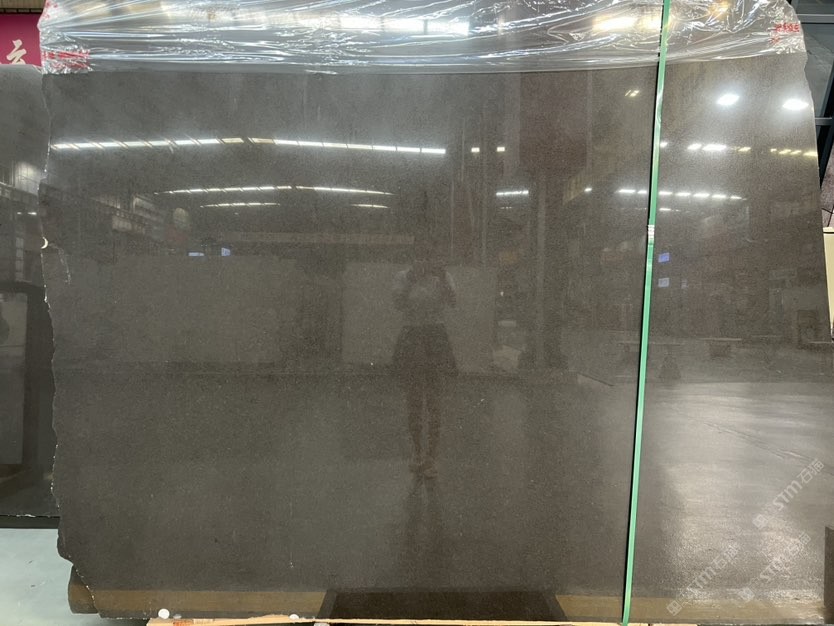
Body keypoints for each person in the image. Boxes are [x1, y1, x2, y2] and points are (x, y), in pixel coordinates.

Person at [392, 244, 457, 479]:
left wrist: (442, 277)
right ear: (412, 259)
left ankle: (432, 456)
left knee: (434, 400)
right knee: (414, 399)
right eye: (419, 258)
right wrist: (411, 279)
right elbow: (398, 304)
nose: (424, 263)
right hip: (412, 336)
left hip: (435, 336)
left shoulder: (442, 276)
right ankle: (417, 452)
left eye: (428, 258)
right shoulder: (403, 277)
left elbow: (453, 302)